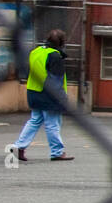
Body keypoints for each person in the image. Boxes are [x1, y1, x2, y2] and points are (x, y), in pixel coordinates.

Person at [14, 29, 75, 162]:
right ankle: (57, 152)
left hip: (33, 91)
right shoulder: (55, 56)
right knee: (53, 123)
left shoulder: (36, 51)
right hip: (49, 94)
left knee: (35, 120)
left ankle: (18, 146)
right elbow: (56, 80)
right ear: (62, 42)